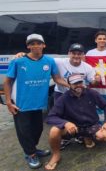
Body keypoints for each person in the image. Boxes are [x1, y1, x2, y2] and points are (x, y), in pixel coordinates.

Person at [3, 34, 69, 169]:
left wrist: (71, 86)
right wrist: (9, 102)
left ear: (44, 45)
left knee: (37, 129)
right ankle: (30, 154)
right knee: (24, 131)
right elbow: (7, 82)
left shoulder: (49, 61)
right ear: (28, 46)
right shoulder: (18, 61)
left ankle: (32, 148)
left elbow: (57, 79)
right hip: (21, 104)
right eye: (32, 44)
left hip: (39, 104)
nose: (36, 46)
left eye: (38, 43)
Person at [45, 74, 106, 170]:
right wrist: (65, 123)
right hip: (73, 128)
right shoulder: (63, 98)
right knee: (54, 131)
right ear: (69, 85)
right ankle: (56, 155)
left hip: (90, 126)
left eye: (80, 82)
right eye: (74, 83)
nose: (78, 85)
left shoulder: (92, 93)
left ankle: (86, 137)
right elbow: (50, 117)